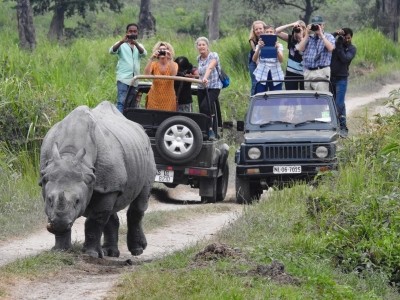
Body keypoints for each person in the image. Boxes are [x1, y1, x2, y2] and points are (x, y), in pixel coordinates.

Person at [109, 23, 147, 112]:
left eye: (134, 31)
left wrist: (136, 44)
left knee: (132, 103)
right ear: (127, 32)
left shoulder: (139, 45)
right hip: (123, 78)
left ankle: (129, 122)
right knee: (121, 102)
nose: (132, 33)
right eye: (130, 31)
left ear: (137, 33)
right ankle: (119, 122)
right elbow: (112, 51)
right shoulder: (121, 44)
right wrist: (122, 41)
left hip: (134, 80)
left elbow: (144, 54)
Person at [296, 16, 336, 91]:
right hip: (308, 71)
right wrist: (307, 34)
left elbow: (331, 48)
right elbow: (300, 49)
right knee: (309, 99)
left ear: (323, 25)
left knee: (320, 97)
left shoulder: (329, 36)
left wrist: (321, 35)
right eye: (315, 25)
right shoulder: (309, 37)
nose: (317, 27)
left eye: (319, 25)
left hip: (321, 71)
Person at [330, 27, 357, 136]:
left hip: (342, 78)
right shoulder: (334, 44)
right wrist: (336, 33)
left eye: (348, 38)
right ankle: (342, 126)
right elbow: (325, 39)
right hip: (331, 77)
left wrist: (340, 45)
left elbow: (345, 59)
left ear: (351, 37)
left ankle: (340, 127)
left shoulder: (352, 48)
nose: (346, 39)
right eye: (344, 37)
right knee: (333, 103)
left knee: (339, 104)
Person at [195, 36, 223, 139]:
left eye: (203, 44)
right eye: (199, 45)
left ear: (207, 46)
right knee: (202, 110)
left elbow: (210, 67)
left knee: (205, 106)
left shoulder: (213, 55)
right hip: (202, 87)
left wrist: (205, 78)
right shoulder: (198, 58)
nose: (201, 47)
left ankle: (211, 130)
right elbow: (199, 73)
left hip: (213, 86)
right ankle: (205, 131)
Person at [144, 41, 178, 111]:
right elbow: (146, 75)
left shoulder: (174, 64)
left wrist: (170, 58)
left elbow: (173, 74)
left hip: (169, 99)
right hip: (154, 98)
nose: (162, 51)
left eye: (164, 49)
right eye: (160, 50)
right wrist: (151, 58)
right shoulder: (154, 64)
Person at [252, 25, 285, 93]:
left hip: (276, 74)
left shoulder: (279, 45)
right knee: (261, 95)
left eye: (271, 32)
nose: (269, 33)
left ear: (274, 33)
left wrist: (277, 49)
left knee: (276, 96)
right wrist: (258, 49)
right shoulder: (259, 45)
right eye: (267, 32)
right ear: (264, 33)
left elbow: (281, 60)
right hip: (262, 73)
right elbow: (254, 59)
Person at [275, 20, 307, 90]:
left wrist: (301, 38)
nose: (298, 29)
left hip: (305, 72)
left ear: (304, 30)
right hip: (291, 72)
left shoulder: (308, 40)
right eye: (296, 28)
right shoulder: (290, 38)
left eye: (300, 28)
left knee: (305, 97)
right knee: (291, 96)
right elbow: (276, 31)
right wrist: (291, 24)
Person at [248, 20, 267, 95]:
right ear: (254, 31)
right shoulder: (252, 40)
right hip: (255, 59)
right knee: (255, 81)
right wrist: (259, 68)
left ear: (264, 29)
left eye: (260, 28)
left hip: (266, 59)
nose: (258, 31)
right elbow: (256, 57)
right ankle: (253, 100)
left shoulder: (269, 36)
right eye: (256, 29)